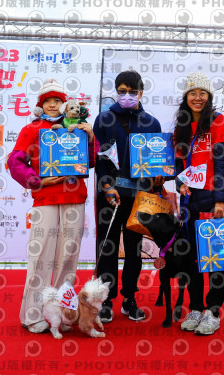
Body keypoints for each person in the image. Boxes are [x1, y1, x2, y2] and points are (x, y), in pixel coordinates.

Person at [8, 78, 95, 333]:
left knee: (68, 257)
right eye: (48, 101)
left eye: (58, 100)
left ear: (66, 104)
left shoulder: (78, 127)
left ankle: (62, 312)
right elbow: (14, 161)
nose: (53, 105)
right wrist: (37, 180)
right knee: (41, 257)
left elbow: (90, 162)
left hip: (74, 196)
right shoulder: (32, 129)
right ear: (41, 105)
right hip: (45, 197)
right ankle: (32, 314)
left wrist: (90, 138)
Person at [94, 70, 164, 323]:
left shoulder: (152, 123)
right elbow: (100, 159)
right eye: (122, 91)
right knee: (108, 249)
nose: (127, 96)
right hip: (110, 196)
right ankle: (105, 300)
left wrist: (159, 176)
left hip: (139, 198)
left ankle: (129, 299)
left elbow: (158, 161)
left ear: (141, 93)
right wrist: (106, 186)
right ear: (116, 92)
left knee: (134, 251)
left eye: (132, 92)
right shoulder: (103, 119)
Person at [173, 71, 224, 335]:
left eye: (202, 93)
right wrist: (180, 183)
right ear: (186, 97)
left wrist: (221, 200)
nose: (197, 98)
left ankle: (213, 312)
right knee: (190, 257)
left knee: (217, 257)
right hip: (191, 198)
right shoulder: (181, 126)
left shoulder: (219, 121)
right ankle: (196, 307)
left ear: (209, 97)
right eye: (192, 93)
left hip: (216, 196)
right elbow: (178, 165)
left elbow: (221, 163)